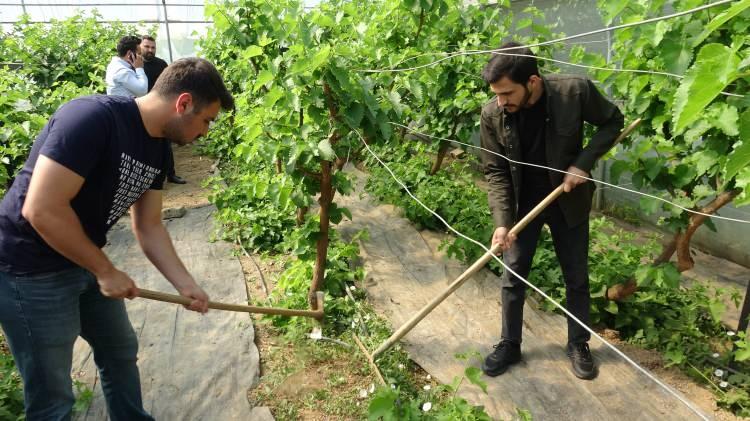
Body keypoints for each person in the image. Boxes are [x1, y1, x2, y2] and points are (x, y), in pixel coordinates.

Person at [0, 57, 234, 420]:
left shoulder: (157, 146)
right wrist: (105, 270)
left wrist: (186, 285)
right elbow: (41, 210)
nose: (205, 132)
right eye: (206, 121)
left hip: (84, 259)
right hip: (28, 269)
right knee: (53, 398)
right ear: (183, 103)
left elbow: (150, 225)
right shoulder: (91, 119)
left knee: (120, 350)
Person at [479, 42, 624, 380]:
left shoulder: (574, 92)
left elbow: (612, 121)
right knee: (513, 274)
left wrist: (582, 164)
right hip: (522, 205)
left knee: (576, 276)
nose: (501, 101)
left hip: (567, 200)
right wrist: (502, 223)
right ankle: (510, 343)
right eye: (496, 94)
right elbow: (496, 172)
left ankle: (578, 343)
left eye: (507, 93)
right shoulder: (492, 114)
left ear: (532, 81)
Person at [141, 35, 185, 185]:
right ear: (140, 47)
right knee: (146, 144)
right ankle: (149, 179)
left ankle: (171, 174)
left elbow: (171, 83)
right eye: (147, 47)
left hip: (161, 108)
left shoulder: (161, 64)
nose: (150, 50)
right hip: (143, 110)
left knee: (166, 143)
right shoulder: (136, 66)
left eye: (153, 47)